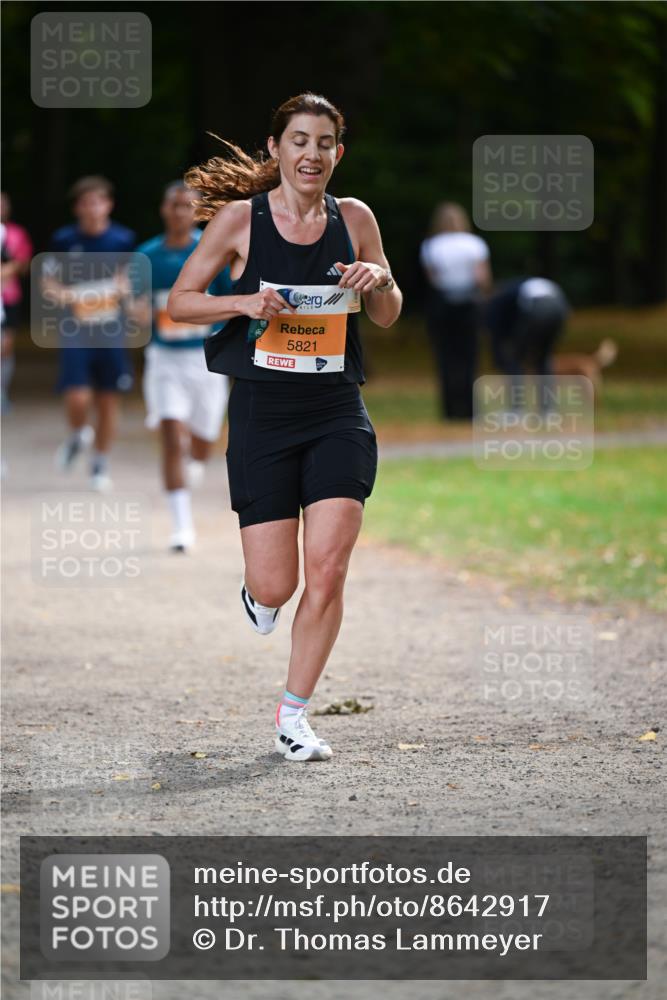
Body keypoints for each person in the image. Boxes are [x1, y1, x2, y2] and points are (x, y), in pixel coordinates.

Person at [168, 92, 402, 762]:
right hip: (263, 415)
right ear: (275, 149)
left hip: (335, 412)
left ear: (338, 153)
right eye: (298, 140)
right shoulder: (241, 222)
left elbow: (386, 312)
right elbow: (181, 302)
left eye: (324, 142)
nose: (311, 154)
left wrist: (378, 279)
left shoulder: (354, 218)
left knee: (326, 570)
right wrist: (242, 300)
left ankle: (293, 719)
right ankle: (257, 594)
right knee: (278, 584)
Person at [135, 182, 232, 552]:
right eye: (173, 205)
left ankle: (194, 463)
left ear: (197, 211)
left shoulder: (211, 251)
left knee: (203, 442)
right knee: (172, 436)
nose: (179, 212)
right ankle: (181, 527)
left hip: (205, 359)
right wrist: (140, 312)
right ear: (163, 209)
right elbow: (134, 305)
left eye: (186, 206)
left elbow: (230, 300)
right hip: (164, 360)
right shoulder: (146, 255)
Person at [45, 176, 135, 492]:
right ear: (77, 208)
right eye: (85, 202)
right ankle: (78, 433)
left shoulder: (123, 239)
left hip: (111, 329)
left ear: (108, 205)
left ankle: (100, 461)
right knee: (77, 394)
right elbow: (49, 282)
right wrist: (68, 296)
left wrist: (117, 291)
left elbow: (129, 280)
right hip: (76, 330)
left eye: (97, 201)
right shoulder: (64, 240)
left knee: (109, 398)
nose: (92, 208)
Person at [419, 202, 491, 419]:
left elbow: (433, 278)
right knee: (469, 357)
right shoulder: (474, 244)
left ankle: (450, 411)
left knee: (445, 357)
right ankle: (470, 410)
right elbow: (482, 278)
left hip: (443, 304)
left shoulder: (431, 245)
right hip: (469, 302)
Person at [485, 277, 569, 411]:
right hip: (560, 307)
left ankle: (516, 409)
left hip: (537, 308)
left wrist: (499, 357)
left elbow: (497, 331)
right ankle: (548, 410)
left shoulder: (499, 298)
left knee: (513, 359)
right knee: (543, 358)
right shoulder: (518, 286)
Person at [0, 193, 33, 414]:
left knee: (5, 346)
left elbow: (22, 264)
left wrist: (8, 270)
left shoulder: (15, 233)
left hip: (8, 296)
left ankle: (1, 391)